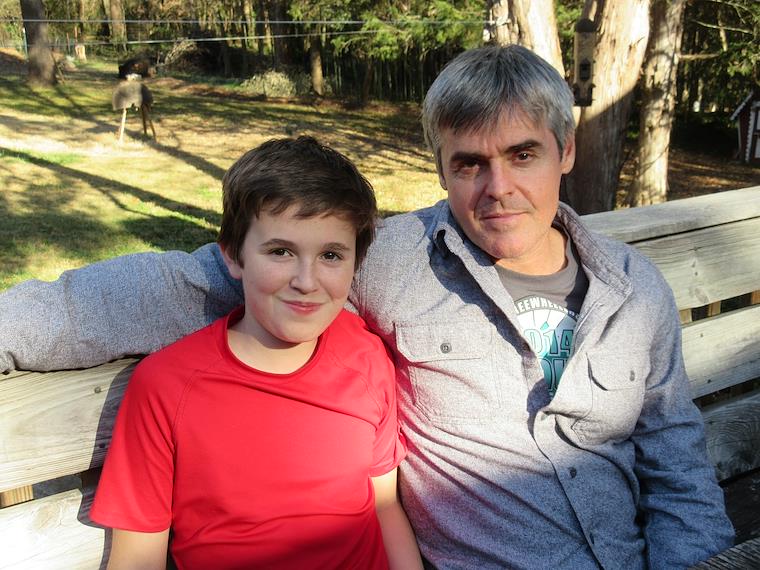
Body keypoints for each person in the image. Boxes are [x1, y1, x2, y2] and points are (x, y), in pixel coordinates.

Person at [0, 46, 734, 569]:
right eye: (469, 164)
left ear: (565, 151)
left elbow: (677, 468)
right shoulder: (387, 257)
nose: (498, 189)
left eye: (522, 154)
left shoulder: (633, 291)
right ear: (440, 167)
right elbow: (183, 287)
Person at [88, 136, 423, 570]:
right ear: (233, 255)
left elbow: (384, 506)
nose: (306, 281)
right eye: (281, 251)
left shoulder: (365, 355)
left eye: (330, 255)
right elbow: (137, 559)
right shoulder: (166, 387)